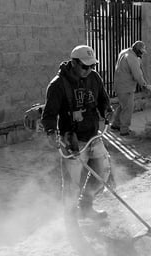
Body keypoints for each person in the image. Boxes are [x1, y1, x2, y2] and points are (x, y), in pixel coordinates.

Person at [41, 45, 113, 221]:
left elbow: (103, 99)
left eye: (92, 66)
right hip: (72, 140)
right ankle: (71, 219)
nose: (89, 70)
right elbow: (49, 114)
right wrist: (51, 132)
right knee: (72, 184)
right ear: (74, 62)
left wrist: (107, 110)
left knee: (103, 172)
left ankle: (86, 206)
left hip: (93, 135)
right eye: (85, 66)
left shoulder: (94, 78)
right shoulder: (58, 84)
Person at [111, 40, 151, 136]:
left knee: (123, 106)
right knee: (128, 108)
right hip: (126, 87)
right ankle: (124, 130)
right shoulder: (132, 58)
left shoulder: (125, 52)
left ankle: (115, 125)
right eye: (141, 52)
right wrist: (145, 85)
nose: (142, 54)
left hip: (119, 85)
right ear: (137, 51)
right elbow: (137, 75)